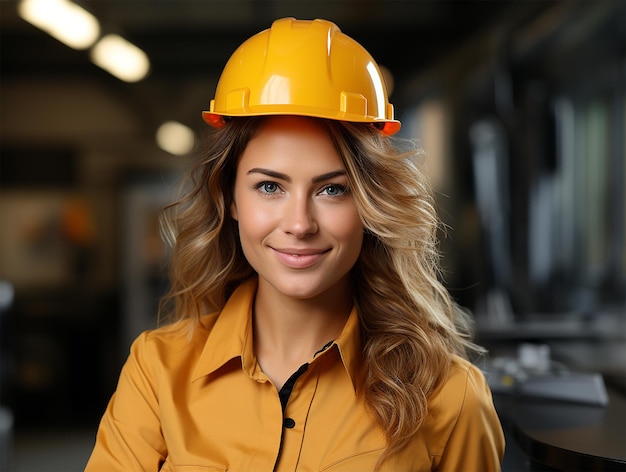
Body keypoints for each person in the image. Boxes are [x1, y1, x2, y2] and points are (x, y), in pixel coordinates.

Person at [85, 17, 505, 471]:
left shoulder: (450, 396)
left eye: (332, 189)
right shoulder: (158, 370)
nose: (300, 224)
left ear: (369, 204)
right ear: (228, 198)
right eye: (270, 187)